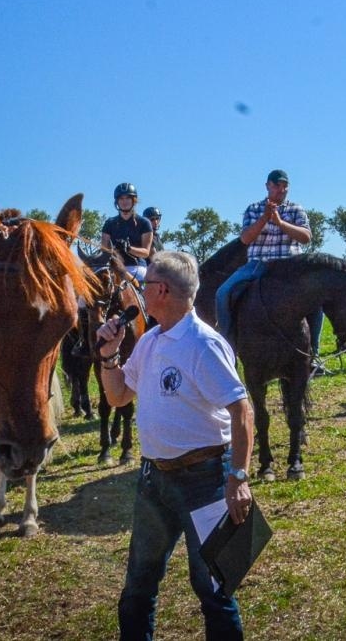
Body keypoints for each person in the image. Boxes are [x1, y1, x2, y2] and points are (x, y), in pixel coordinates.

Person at [96, 250, 254, 641]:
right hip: (155, 481)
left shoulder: (203, 344)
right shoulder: (150, 341)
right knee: (138, 587)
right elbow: (117, 396)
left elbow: (242, 411)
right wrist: (108, 354)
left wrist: (238, 476)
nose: (138, 291)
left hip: (205, 481)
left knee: (214, 590)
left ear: (161, 290)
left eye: (143, 285)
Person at [213, 170, 311, 348]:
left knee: (315, 299)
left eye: (284, 186)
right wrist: (265, 217)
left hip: (289, 265)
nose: (281, 189)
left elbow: (306, 237)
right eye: (276, 185)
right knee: (222, 293)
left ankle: (313, 351)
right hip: (257, 263)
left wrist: (281, 223)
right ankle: (228, 345)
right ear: (267, 186)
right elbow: (245, 239)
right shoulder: (253, 209)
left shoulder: (296, 209)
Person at [103, 183, 155, 282]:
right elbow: (104, 249)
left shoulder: (144, 223)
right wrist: (112, 250)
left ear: (133, 200)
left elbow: (146, 252)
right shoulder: (109, 223)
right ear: (117, 202)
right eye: (121, 199)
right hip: (114, 268)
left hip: (136, 268)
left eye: (127, 198)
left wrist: (129, 248)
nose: (124, 202)